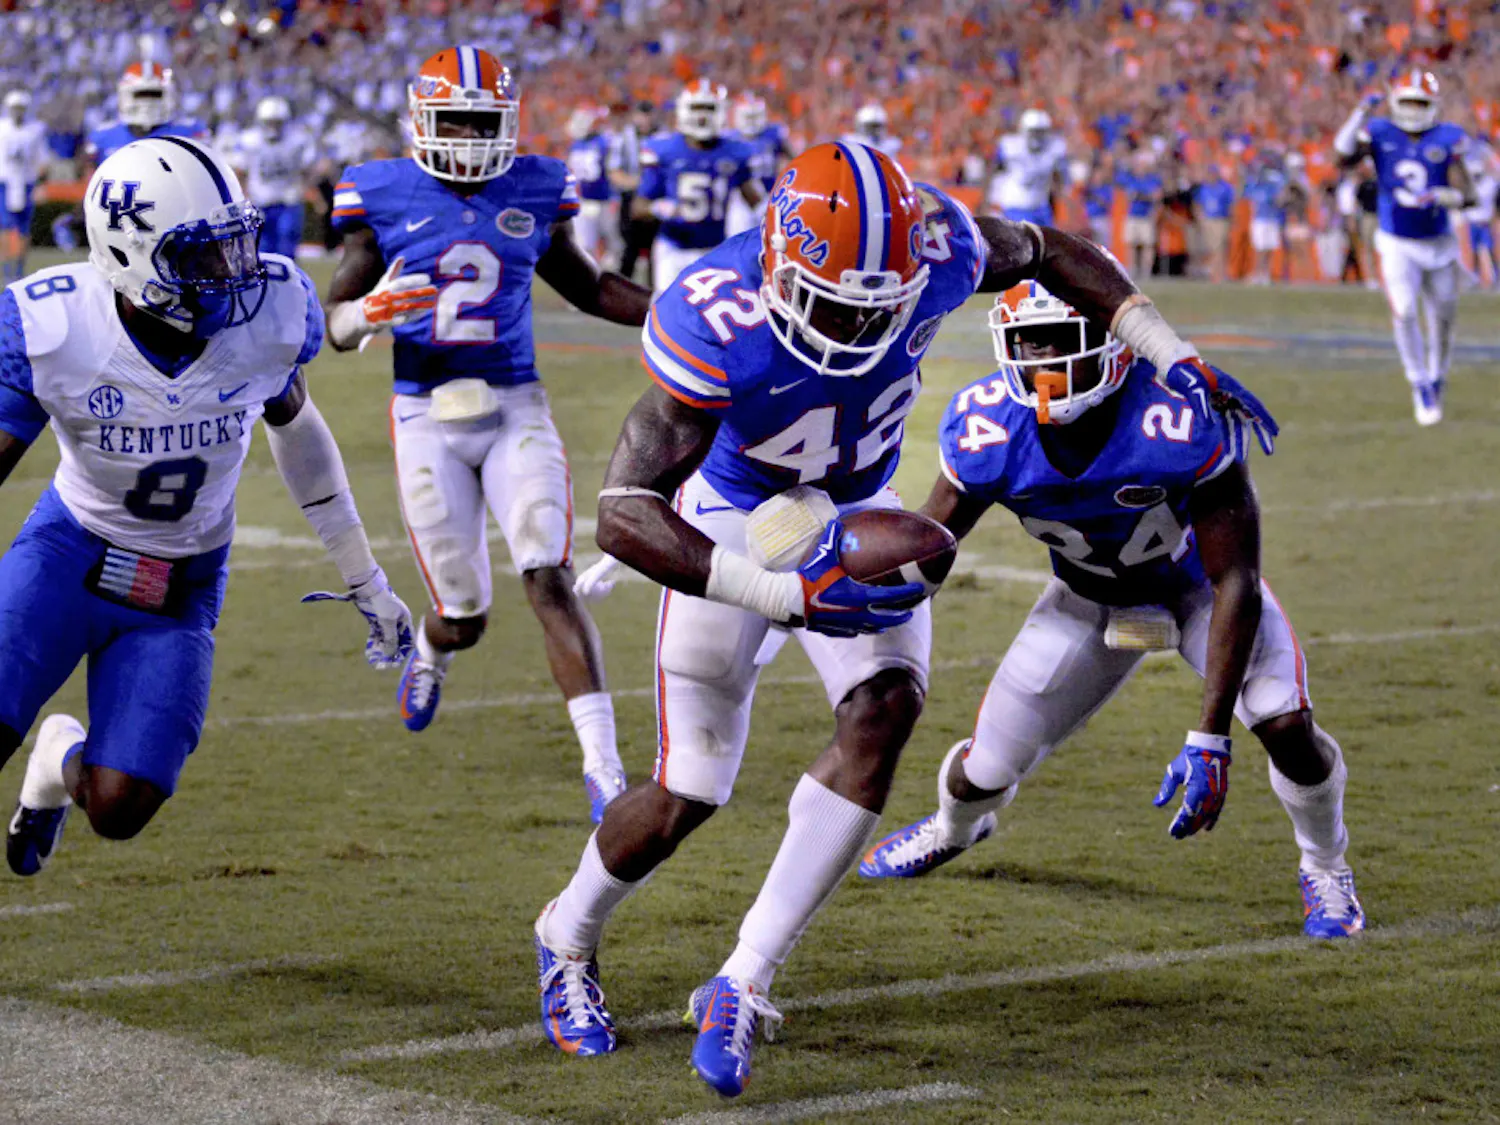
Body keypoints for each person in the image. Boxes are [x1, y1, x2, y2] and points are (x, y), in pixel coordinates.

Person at [532, 141, 1275, 1096]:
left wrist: (1168, 351)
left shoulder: (941, 246)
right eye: (837, 305)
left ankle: (744, 978)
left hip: (853, 510)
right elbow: (622, 512)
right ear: (777, 269)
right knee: (691, 788)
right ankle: (567, 933)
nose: (861, 326)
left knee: (885, 707)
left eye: (881, 307)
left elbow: (1050, 249)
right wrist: (782, 593)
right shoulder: (713, 310)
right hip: (735, 520)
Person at [859, 282, 1361, 943]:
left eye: (1057, 341)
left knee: (1284, 719)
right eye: (1027, 344)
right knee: (984, 770)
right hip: (1086, 602)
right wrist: (851, 579)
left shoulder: (1179, 414)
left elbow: (1235, 578)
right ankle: (955, 828)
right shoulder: (989, 427)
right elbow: (930, 544)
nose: (1042, 361)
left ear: (1112, 343)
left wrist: (1210, 737)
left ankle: (1326, 864)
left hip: (1197, 594)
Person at [0, 136, 412, 876]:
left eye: (236, 244)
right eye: (204, 255)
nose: (235, 272)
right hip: (67, 554)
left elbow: (298, 431)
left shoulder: (271, 311)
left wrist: (365, 576)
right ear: (129, 258)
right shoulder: (55, 325)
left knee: (120, 806)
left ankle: (56, 763)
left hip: (181, 585)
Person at [325, 46, 650, 822]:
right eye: (456, 121)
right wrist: (366, 313)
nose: (470, 136)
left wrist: (675, 313)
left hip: (515, 405)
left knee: (548, 570)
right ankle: (433, 649)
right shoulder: (380, 191)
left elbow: (590, 286)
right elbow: (333, 322)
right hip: (424, 413)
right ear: (422, 121)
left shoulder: (534, 186)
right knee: (464, 615)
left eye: (482, 121)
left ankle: (603, 763)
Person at [1334, 69, 1476, 426]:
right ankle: (1419, 382)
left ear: (1433, 105)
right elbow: (1342, 156)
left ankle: (1437, 376)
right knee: (1405, 310)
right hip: (1396, 240)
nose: (1413, 110)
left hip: (1439, 243)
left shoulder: (1448, 137)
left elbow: (1469, 195)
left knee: (1443, 318)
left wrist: (1447, 196)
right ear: (1396, 102)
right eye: (1408, 101)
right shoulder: (1380, 131)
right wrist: (1358, 114)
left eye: (1420, 103)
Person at [634, 81, 763, 297]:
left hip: (715, 249)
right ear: (683, 110)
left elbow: (755, 199)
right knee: (667, 309)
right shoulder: (664, 149)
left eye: (709, 108)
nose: (702, 116)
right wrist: (657, 207)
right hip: (673, 249)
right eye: (696, 108)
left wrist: (773, 217)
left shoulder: (735, 151)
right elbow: (638, 207)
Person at [83, 63, 208, 172]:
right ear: (125, 96)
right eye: (140, 94)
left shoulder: (191, 132)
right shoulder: (102, 136)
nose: (147, 102)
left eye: (155, 94)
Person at [234, 97, 314, 261]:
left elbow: (308, 168)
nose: (273, 127)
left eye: (277, 122)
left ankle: (287, 275)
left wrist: (303, 188)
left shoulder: (298, 140)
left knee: (287, 244)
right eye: (269, 122)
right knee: (262, 249)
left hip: (288, 199)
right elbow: (240, 171)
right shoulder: (249, 140)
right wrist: (244, 195)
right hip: (259, 200)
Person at [985, 108, 1067, 226]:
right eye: (1033, 132)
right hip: (1016, 206)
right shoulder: (1010, 146)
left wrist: (1056, 200)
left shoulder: (1055, 148)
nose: (1036, 136)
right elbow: (993, 171)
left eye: (1040, 132)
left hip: (1041, 208)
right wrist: (989, 200)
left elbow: (1058, 179)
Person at [0, 91, 48, 283]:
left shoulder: (35, 130)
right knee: (4, 227)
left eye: (20, 108)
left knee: (23, 229)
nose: (17, 112)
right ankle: (6, 270)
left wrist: (40, 185)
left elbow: (42, 159)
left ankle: (19, 269)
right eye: (14, 108)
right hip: (4, 182)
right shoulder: (2, 128)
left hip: (26, 182)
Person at [725, 94, 789, 237]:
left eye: (754, 117)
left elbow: (793, 158)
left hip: (770, 195)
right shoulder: (730, 139)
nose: (751, 122)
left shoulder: (773, 134)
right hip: (740, 200)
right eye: (748, 117)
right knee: (740, 239)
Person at [565, 105, 621, 266]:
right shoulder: (576, 144)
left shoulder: (604, 141)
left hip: (606, 199)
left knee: (614, 242)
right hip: (585, 199)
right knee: (585, 245)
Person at [1242, 154, 1287, 285]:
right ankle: (1258, 273)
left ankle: (1265, 273)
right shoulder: (1254, 185)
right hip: (1259, 220)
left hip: (1272, 219)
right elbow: (1245, 195)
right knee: (1260, 249)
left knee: (1269, 248)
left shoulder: (1272, 185)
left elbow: (1280, 200)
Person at [1117, 149, 1162, 277]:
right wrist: (1145, 196)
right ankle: (1132, 269)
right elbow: (1129, 196)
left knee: (1148, 245)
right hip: (1133, 215)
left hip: (1146, 216)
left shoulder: (1153, 180)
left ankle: (1146, 271)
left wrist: (1140, 196)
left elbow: (1156, 197)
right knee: (1131, 244)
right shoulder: (1130, 179)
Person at [1461, 138, 1498, 290]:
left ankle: (1496, 276)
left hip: (1485, 222)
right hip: (1472, 221)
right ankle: (1475, 277)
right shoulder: (1471, 187)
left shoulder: (1489, 184)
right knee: (1474, 251)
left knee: (1490, 250)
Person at [1192, 163, 1237, 282]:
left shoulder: (1225, 188)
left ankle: (1219, 274)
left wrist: (1232, 220)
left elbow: (1231, 205)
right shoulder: (1204, 188)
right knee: (1211, 248)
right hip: (1207, 220)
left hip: (1221, 220)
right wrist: (1200, 218)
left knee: (1219, 248)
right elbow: (1197, 204)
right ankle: (1214, 272)